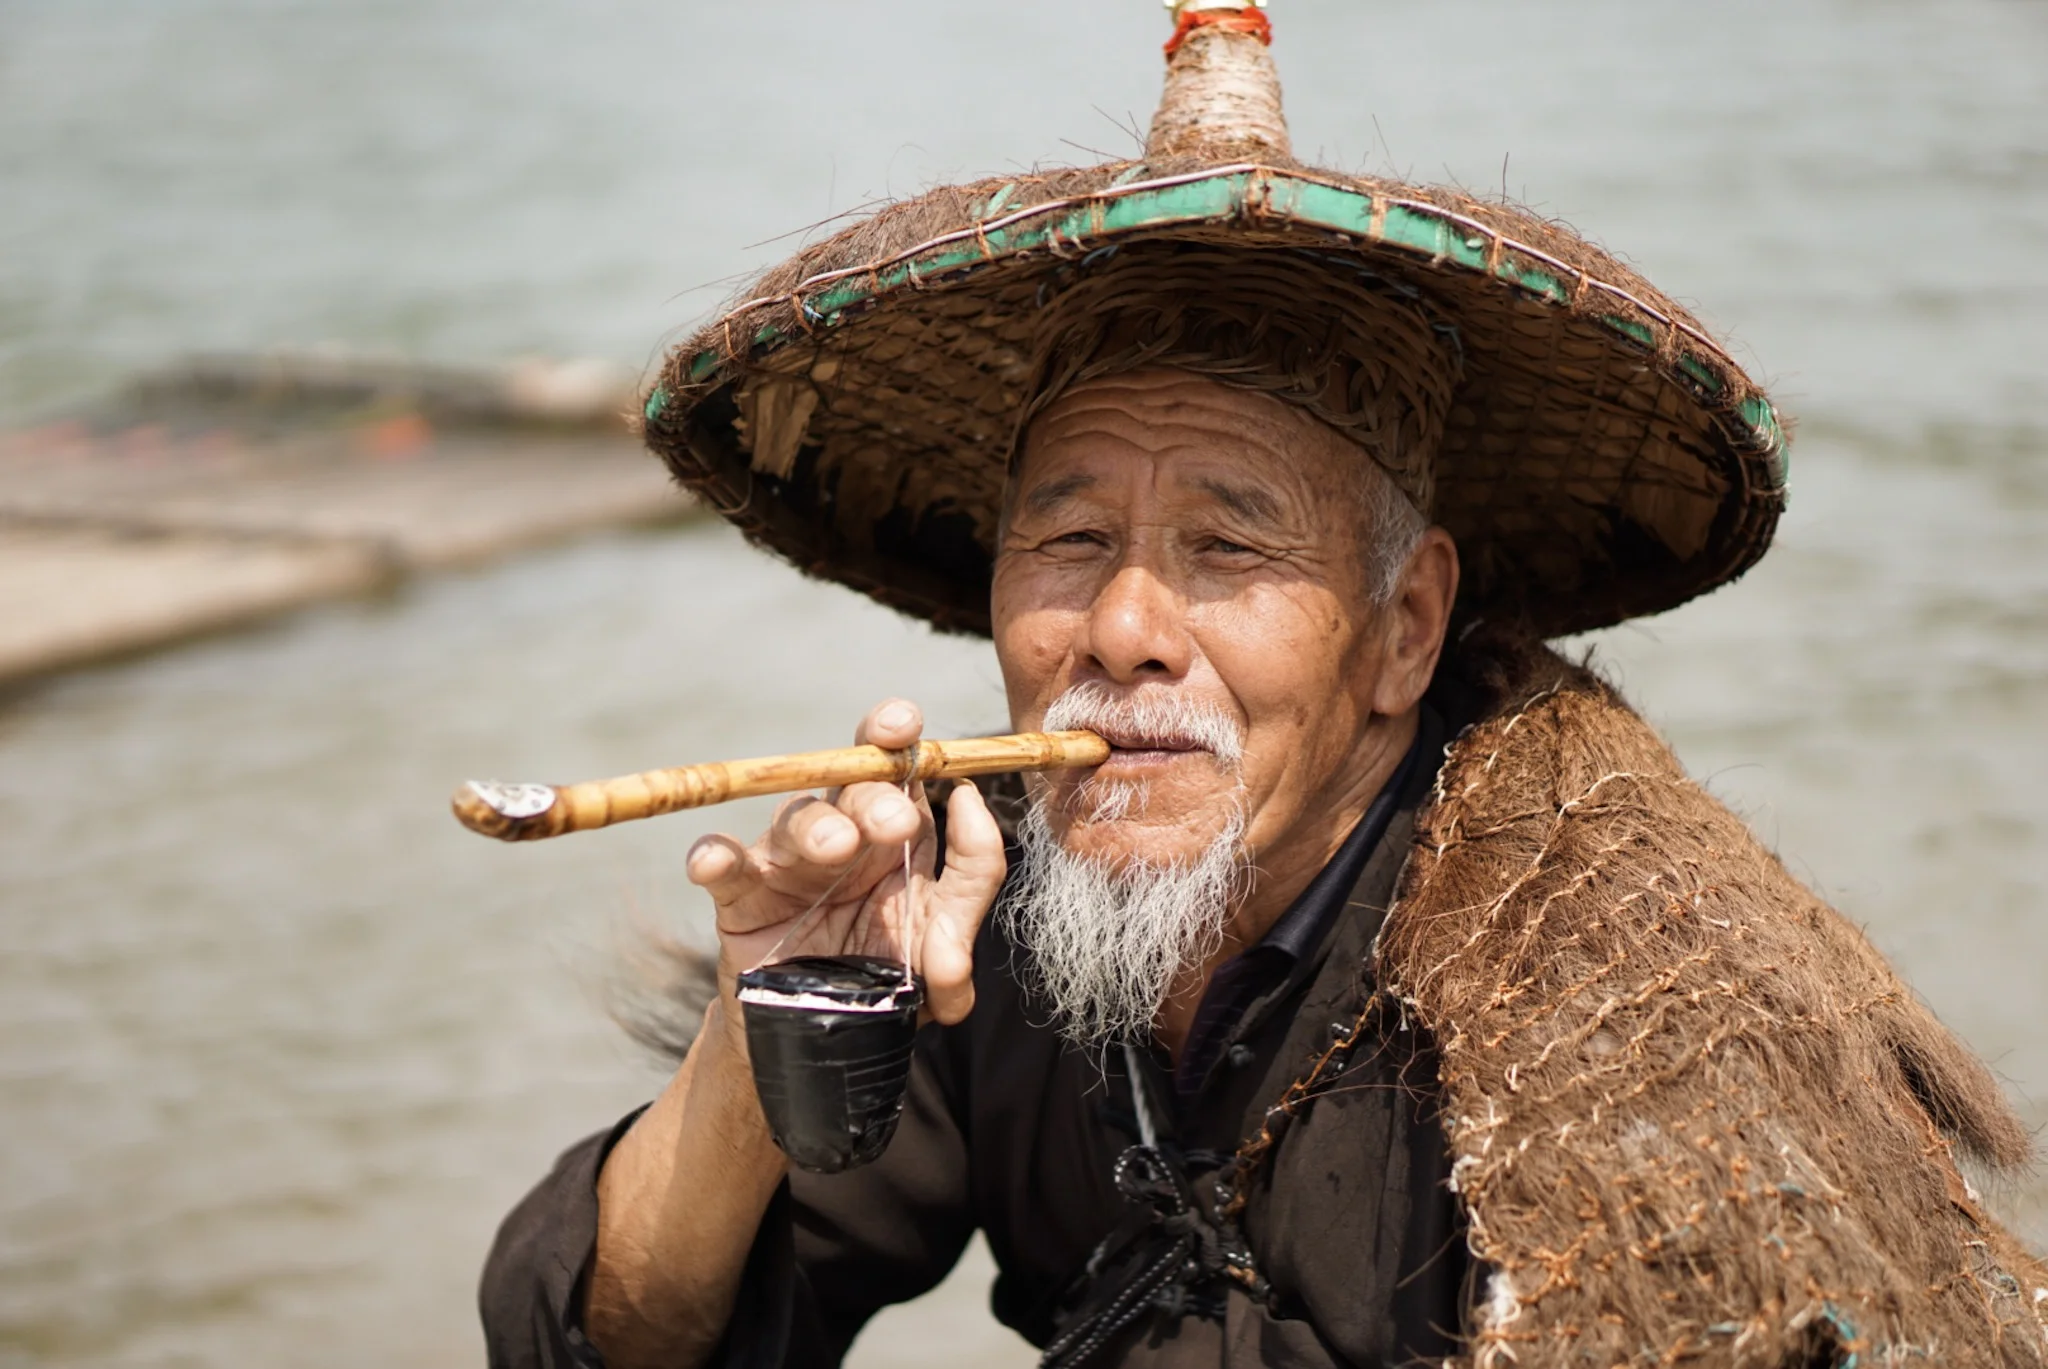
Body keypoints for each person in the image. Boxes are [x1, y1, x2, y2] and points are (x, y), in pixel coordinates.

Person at [483, 5, 2048, 1367]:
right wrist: (778, 1026)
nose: (1124, 629)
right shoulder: (988, 903)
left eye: (1229, 548)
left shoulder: (1615, 1022)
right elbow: (606, 1339)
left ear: (1404, 630)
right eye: (1072, 537)